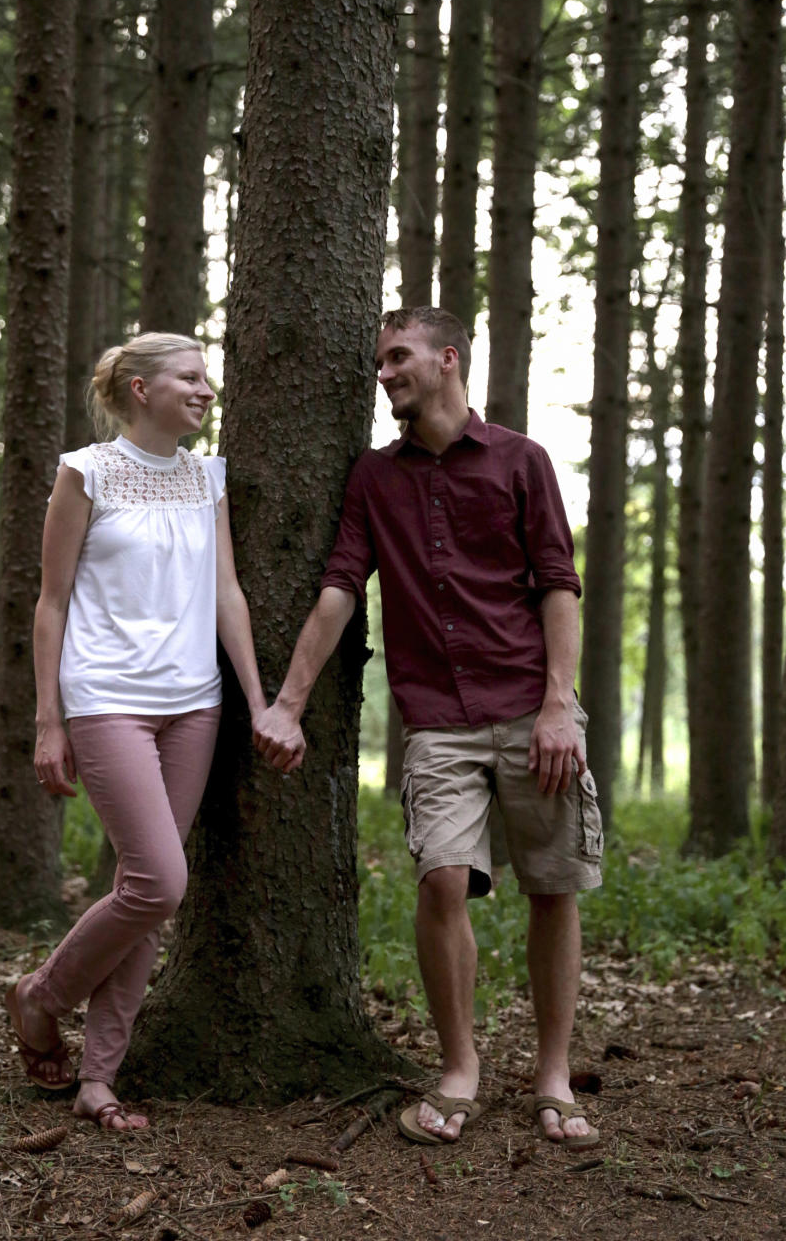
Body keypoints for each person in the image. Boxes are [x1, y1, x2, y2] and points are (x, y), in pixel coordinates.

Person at [254, 306, 603, 1150]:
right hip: (437, 720)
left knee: (552, 888)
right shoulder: (374, 479)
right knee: (444, 880)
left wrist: (561, 704)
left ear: (449, 360)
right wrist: (288, 704)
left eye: (398, 357)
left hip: (531, 707)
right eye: (380, 361)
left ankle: (553, 1075)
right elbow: (342, 586)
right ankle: (460, 1068)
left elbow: (559, 583)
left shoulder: (523, 461)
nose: (384, 373)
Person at [5, 332, 292, 1131]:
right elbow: (51, 603)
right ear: (139, 388)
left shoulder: (208, 477)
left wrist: (258, 699)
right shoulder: (85, 471)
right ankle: (40, 995)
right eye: (190, 377)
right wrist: (47, 722)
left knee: (146, 895)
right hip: (107, 701)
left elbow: (227, 593)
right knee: (159, 881)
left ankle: (100, 1077)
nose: (207, 390)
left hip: (194, 703)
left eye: (207, 378)